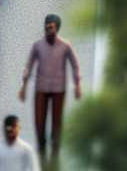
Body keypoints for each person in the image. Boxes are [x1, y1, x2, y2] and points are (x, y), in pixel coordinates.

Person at [19, 14, 81, 157]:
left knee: (56, 120)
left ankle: (55, 148)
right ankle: (41, 145)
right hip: (41, 87)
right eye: (47, 26)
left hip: (59, 88)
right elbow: (29, 65)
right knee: (39, 120)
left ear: (57, 28)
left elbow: (75, 65)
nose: (48, 28)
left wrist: (77, 84)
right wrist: (24, 86)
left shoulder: (65, 46)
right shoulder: (38, 46)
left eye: (51, 26)